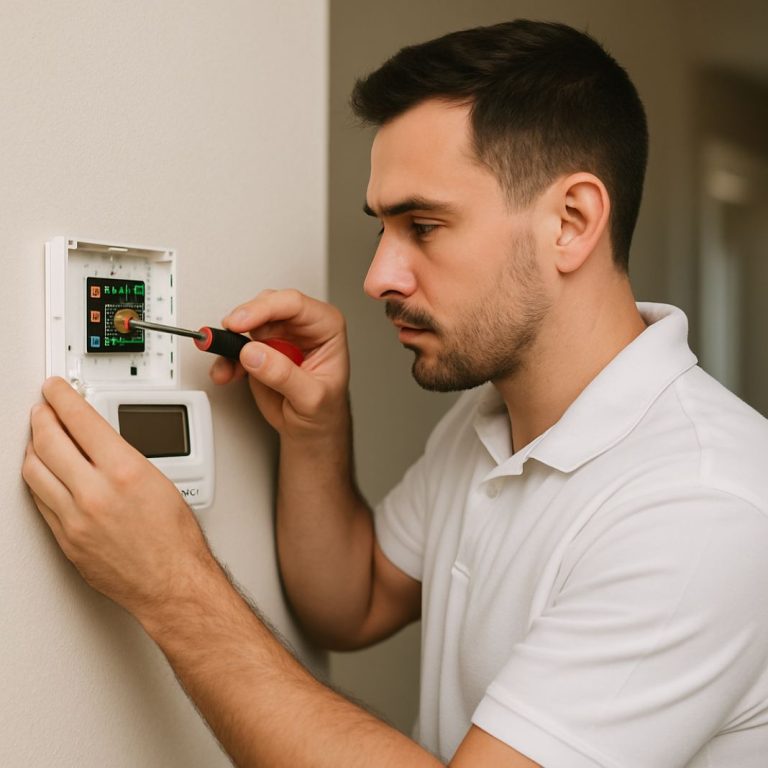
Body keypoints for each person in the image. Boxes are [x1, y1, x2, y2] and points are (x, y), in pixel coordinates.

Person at [22, 19, 768, 768]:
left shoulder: (704, 507)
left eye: (423, 224)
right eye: (383, 228)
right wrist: (317, 433)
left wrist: (173, 586)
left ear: (571, 222)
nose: (379, 276)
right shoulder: (491, 417)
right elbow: (356, 600)